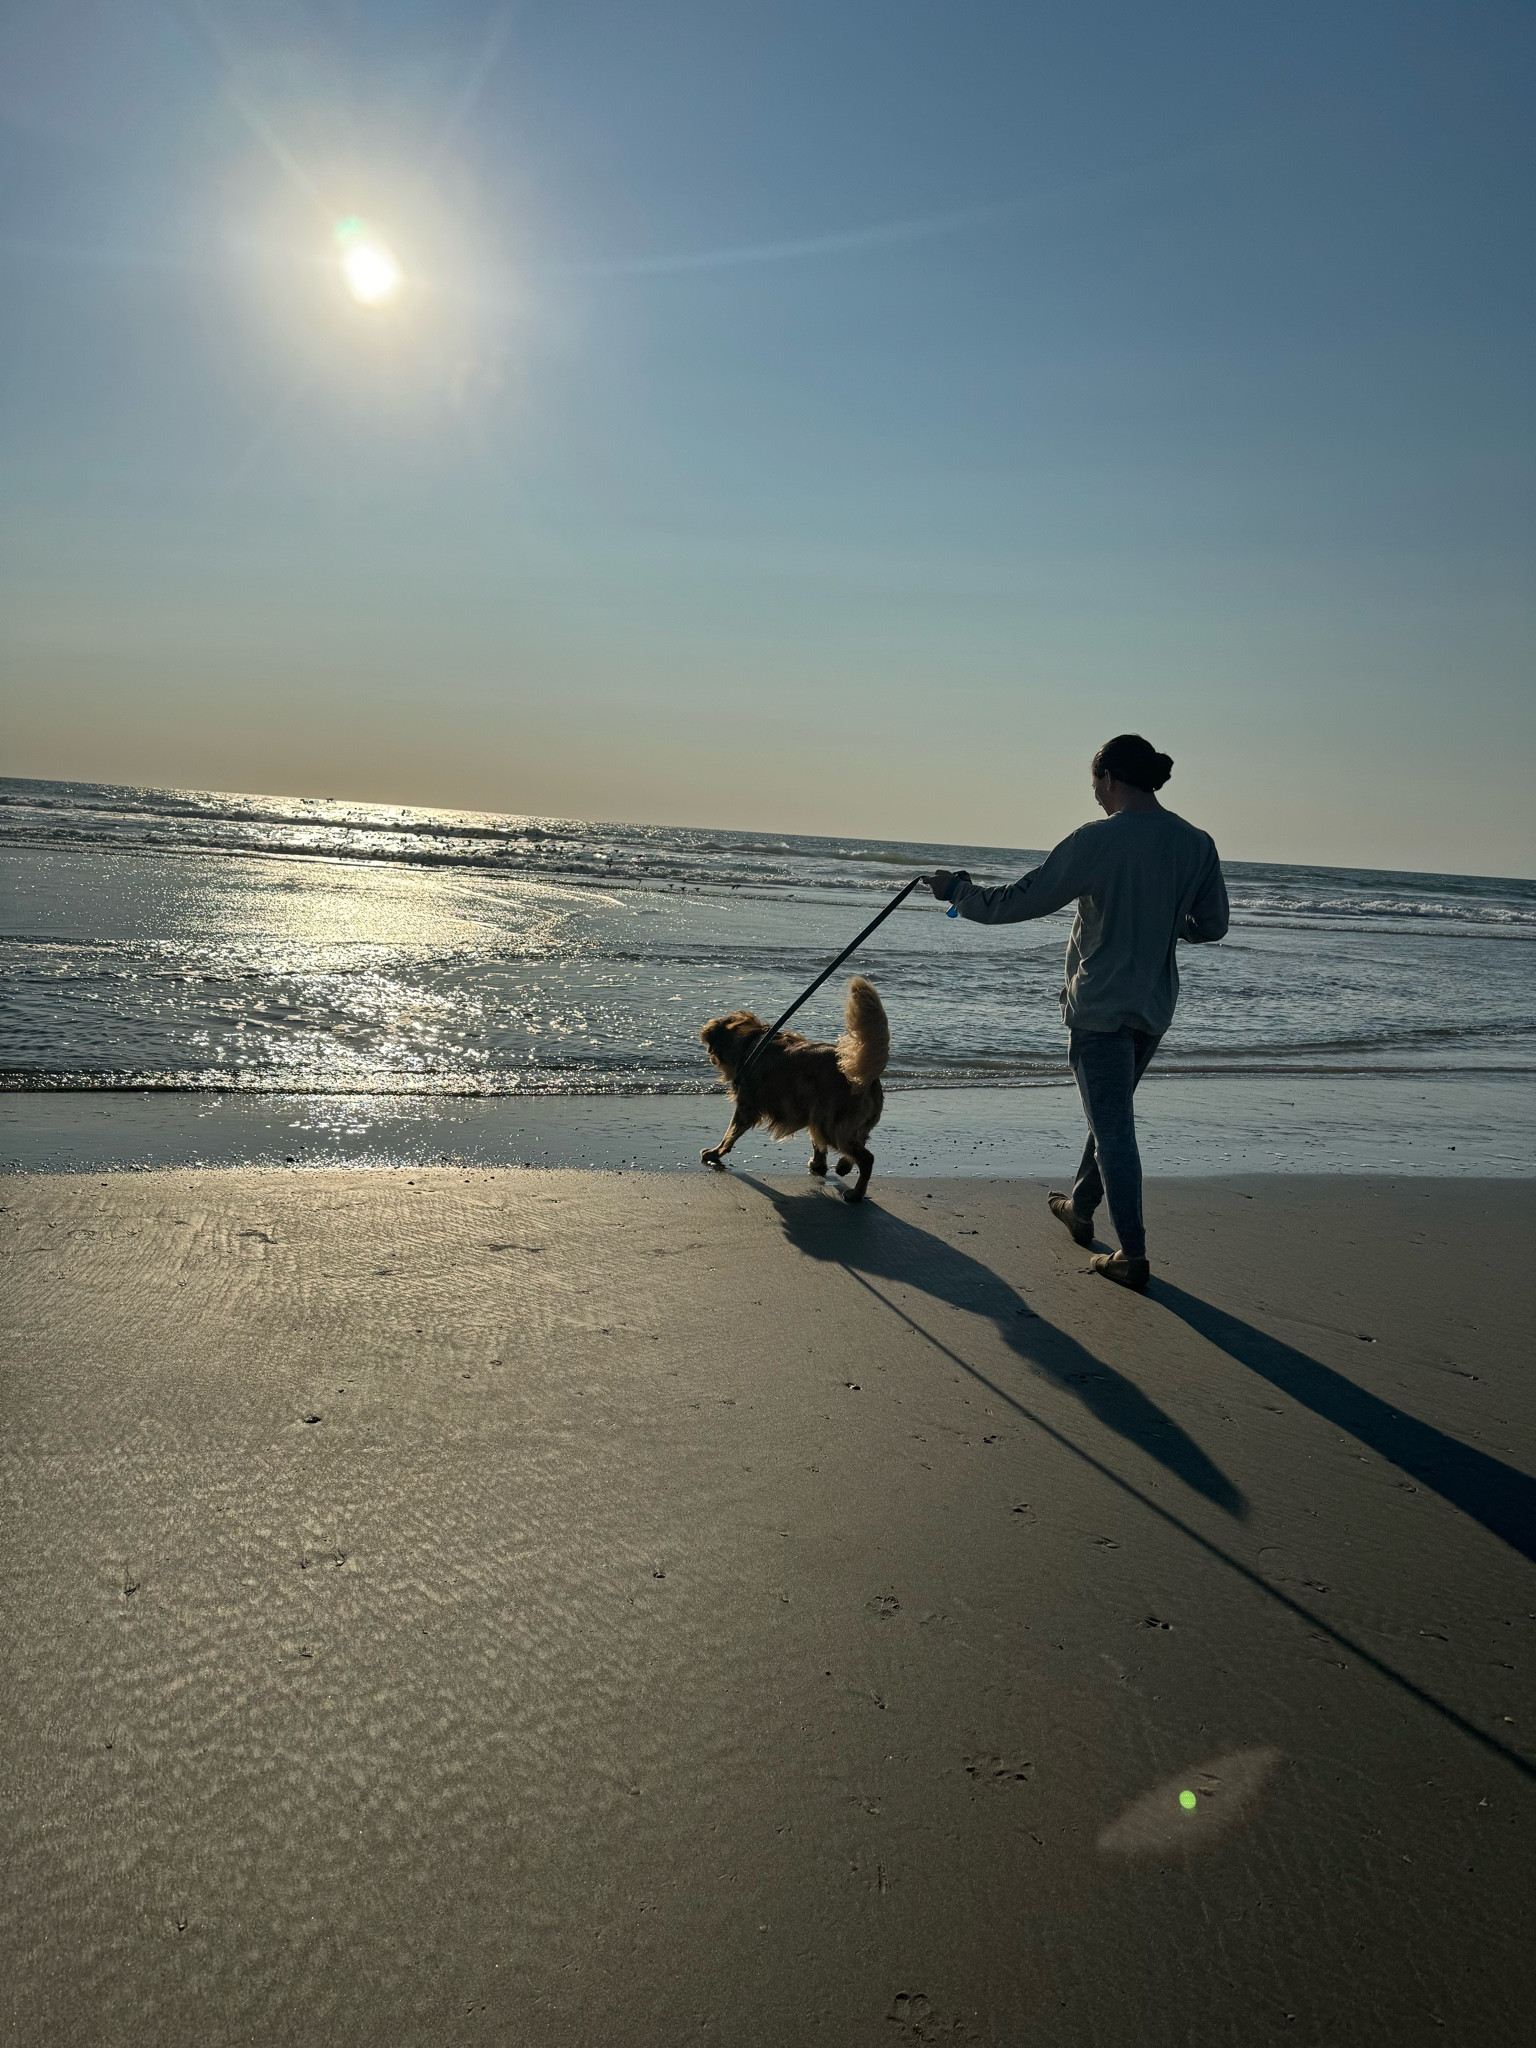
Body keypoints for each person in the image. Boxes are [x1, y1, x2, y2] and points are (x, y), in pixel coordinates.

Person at [928, 734, 1228, 1292]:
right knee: (1109, 1116)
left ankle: (1132, 1254)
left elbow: (1022, 900)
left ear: (1109, 777)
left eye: (1095, 784)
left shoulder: (1097, 839)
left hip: (1099, 1008)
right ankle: (1080, 1208)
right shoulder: (1197, 843)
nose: (1095, 795)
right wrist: (1167, 922)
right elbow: (1212, 925)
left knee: (1113, 1129)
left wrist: (957, 892)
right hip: (1153, 1006)